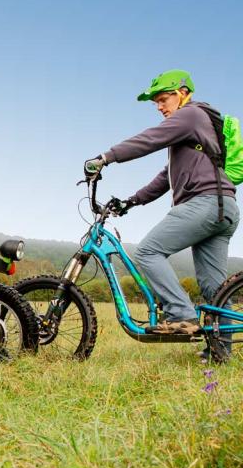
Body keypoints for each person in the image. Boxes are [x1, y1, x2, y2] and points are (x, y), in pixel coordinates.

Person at [85, 70, 239, 335]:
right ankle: (220, 351)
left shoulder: (190, 114)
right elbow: (164, 178)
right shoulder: (193, 130)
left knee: (148, 252)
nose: (159, 106)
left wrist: (105, 157)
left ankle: (181, 314)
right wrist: (132, 201)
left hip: (204, 203)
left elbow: (150, 139)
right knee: (215, 289)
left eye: (163, 99)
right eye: (155, 102)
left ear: (182, 93)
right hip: (222, 208)